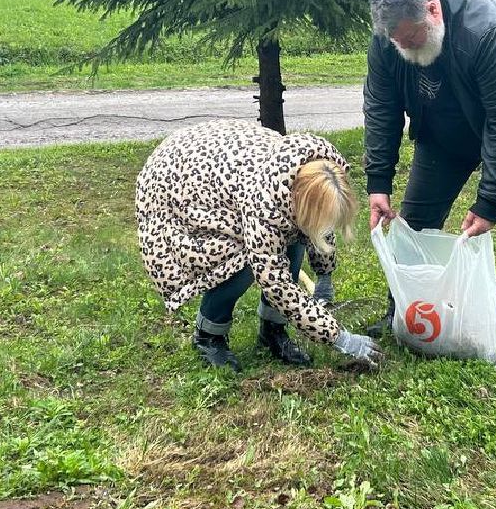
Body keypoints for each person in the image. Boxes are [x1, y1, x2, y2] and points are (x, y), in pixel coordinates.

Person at [362, 0, 496, 369]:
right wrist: (378, 183)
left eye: (412, 38)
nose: (403, 47)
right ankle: (403, 313)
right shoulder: (388, 39)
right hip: (444, 127)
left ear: (433, 10)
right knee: (416, 223)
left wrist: (490, 201)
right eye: (396, 41)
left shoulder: (489, 29)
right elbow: (381, 107)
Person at [135, 119, 384, 372]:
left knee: (293, 240)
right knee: (239, 267)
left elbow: (317, 225)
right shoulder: (264, 205)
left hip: (231, 164)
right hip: (181, 178)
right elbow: (276, 283)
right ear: (298, 203)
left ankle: (272, 330)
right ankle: (208, 335)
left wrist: (324, 277)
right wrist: (339, 338)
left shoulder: (323, 172)